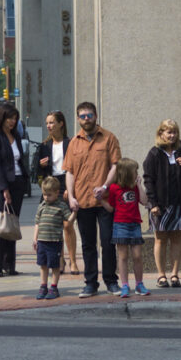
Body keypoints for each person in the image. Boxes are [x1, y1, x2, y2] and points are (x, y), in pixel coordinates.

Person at [63, 101, 122, 297]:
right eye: (83, 116)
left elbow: (116, 165)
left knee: (107, 242)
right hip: (82, 200)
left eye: (89, 115)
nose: (86, 119)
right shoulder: (74, 142)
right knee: (88, 245)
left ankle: (111, 281)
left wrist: (105, 186)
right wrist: (71, 197)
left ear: (96, 116)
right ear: (78, 119)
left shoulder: (108, 138)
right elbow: (70, 172)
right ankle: (90, 283)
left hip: (104, 201)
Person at [142, 119, 181, 289]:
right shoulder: (154, 153)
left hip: (178, 202)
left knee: (177, 238)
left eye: (175, 132)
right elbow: (148, 180)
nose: (172, 135)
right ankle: (161, 275)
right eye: (168, 132)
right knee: (160, 239)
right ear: (161, 134)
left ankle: (175, 275)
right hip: (160, 204)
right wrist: (153, 203)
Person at [34, 110, 80, 275]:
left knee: (68, 224)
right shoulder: (45, 145)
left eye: (52, 122)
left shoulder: (71, 142)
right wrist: (41, 165)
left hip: (67, 183)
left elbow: (76, 167)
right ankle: (59, 260)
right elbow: (36, 171)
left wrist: (70, 188)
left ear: (61, 124)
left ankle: (73, 261)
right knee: (54, 225)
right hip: (51, 184)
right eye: (47, 123)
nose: (49, 126)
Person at [98, 158, 150, 298]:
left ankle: (139, 284)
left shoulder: (134, 187)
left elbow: (144, 201)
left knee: (137, 256)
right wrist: (101, 200)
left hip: (135, 225)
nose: (137, 173)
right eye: (135, 171)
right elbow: (111, 208)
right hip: (120, 225)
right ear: (126, 173)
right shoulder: (115, 188)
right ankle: (125, 284)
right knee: (123, 256)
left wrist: (139, 185)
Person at [0, 104, 29, 277]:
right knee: (0, 223)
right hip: (0, 185)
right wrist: (4, 189)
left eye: (14, 118)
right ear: (1, 118)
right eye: (9, 117)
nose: (12, 121)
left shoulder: (16, 136)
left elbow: (19, 159)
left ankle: (10, 265)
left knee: (12, 223)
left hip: (18, 183)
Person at [33, 177, 76, 299]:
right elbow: (37, 223)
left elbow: (69, 220)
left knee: (55, 266)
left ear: (57, 193)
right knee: (43, 265)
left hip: (54, 241)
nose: (46, 197)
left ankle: (54, 287)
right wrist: (35, 239)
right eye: (44, 194)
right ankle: (43, 286)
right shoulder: (42, 205)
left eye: (49, 195)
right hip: (42, 241)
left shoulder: (61, 206)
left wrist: (75, 212)